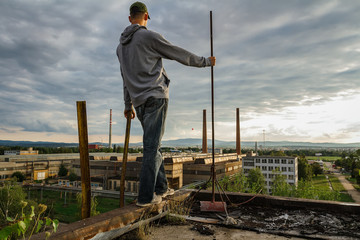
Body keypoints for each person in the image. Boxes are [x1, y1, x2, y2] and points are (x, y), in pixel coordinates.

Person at [116, 1, 216, 207]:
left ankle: (161, 188)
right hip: (155, 97)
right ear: (146, 16)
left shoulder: (120, 48)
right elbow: (176, 52)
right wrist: (204, 61)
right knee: (151, 148)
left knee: (154, 145)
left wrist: (128, 105)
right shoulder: (148, 36)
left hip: (138, 102)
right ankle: (145, 197)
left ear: (129, 18)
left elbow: (125, 78)